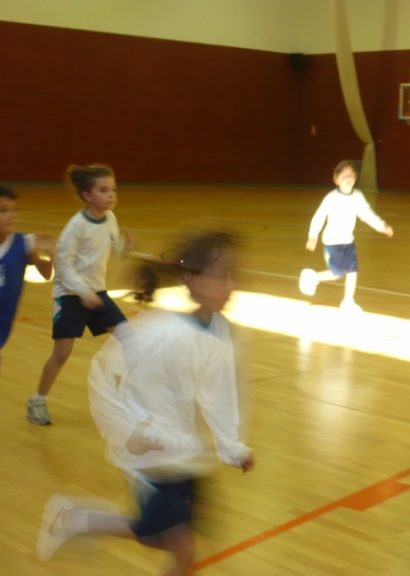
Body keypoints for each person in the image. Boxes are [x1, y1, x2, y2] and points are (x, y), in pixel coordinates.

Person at [36, 231, 254, 576]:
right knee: (181, 552)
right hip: (150, 459)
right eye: (222, 275)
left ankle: (76, 518)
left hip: (185, 456)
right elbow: (104, 374)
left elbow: (220, 393)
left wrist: (232, 446)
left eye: (233, 275)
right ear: (192, 280)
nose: (231, 285)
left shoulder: (220, 332)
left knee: (159, 540)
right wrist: (130, 432)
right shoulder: (159, 332)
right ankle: (74, 519)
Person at [27, 164, 135, 425]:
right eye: (103, 190)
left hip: (96, 292)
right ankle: (37, 401)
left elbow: (112, 248)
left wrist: (124, 247)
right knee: (62, 353)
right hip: (69, 295)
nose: (111, 195)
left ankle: (132, 398)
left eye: (113, 189)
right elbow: (63, 267)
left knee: (131, 340)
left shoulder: (110, 218)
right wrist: (82, 292)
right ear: (87, 195)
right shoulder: (76, 227)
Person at [299, 159, 394, 312]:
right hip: (332, 242)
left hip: (348, 241)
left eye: (351, 176)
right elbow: (319, 216)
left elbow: (367, 214)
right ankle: (313, 277)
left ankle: (348, 301)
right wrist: (313, 235)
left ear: (355, 178)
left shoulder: (357, 196)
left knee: (352, 271)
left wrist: (382, 226)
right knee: (337, 274)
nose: (348, 179)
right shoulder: (331, 198)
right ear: (336, 179)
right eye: (344, 176)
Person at [0, 185, 54, 372]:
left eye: (15, 209)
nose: (12, 215)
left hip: (4, 322)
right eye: (3, 210)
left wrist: (51, 254)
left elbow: (46, 274)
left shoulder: (24, 243)